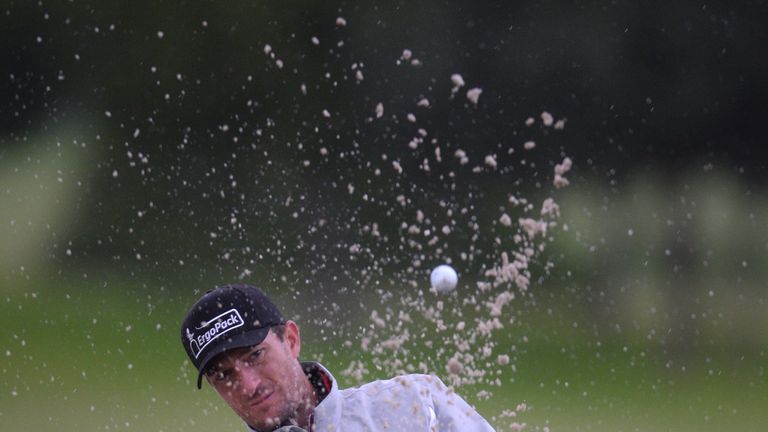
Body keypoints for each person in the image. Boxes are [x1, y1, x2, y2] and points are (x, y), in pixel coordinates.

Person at [180, 284, 496, 432]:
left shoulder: (414, 403)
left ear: (291, 340)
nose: (247, 386)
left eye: (255, 355)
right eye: (224, 376)